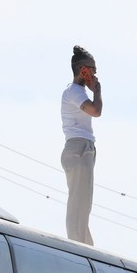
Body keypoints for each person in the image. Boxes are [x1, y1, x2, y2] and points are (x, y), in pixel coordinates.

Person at [61, 45, 103, 245]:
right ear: (83, 70)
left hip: (82, 149)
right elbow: (95, 110)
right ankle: (77, 247)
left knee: (83, 205)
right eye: (92, 70)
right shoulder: (74, 92)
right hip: (79, 149)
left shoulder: (76, 92)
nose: (95, 74)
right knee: (79, 205)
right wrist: (97, 91)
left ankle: (86, 247)